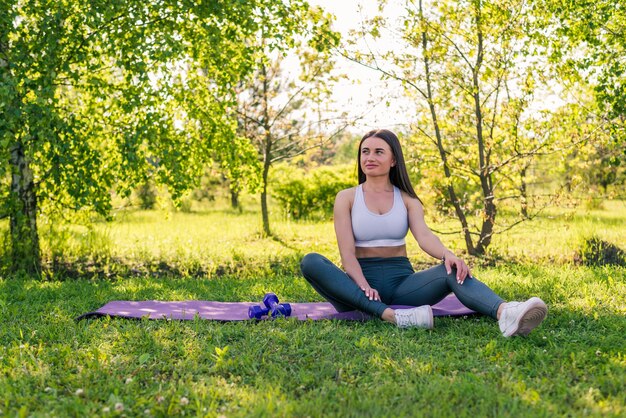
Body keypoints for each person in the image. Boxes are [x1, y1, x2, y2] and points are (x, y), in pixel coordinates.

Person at [300, 129, 547, 336]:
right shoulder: (346, 198)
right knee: (311, 261)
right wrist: (364, 287)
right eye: (365, 151)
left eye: (378, 152)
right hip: (356, 289)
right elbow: (347, 254)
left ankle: (506, 313)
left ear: (393, 160)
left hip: (402, 285)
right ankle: (390, 316)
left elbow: (424, 236)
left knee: (451, 269)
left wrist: (447, 254)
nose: (370, 157)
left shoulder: (408, 200)